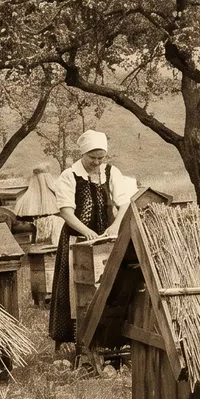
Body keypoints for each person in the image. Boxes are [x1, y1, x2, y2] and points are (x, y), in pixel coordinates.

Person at [48, 130, 137, 351]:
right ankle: (73, 340)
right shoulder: (69, 176)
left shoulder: (111, 172)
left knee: (109, 286)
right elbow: (66, 212)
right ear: (83, 154)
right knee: (76, 289)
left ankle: (109, 339)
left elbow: (124, 204)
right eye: (92, 158)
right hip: (76, 239)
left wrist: (115, 227)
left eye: (101, 158)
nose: (96, 162)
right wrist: (86, 231)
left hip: (107, 239)